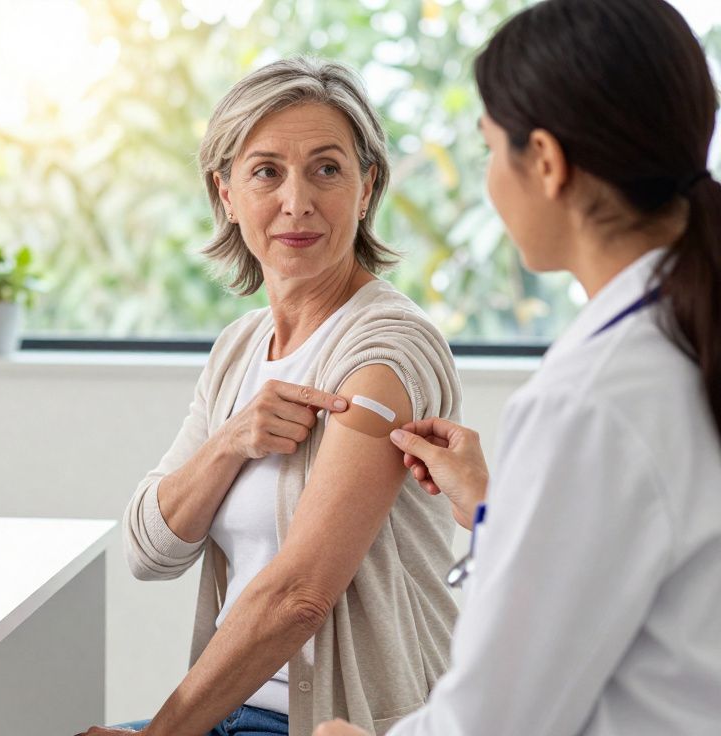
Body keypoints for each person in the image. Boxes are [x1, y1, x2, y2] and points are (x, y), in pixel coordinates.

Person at [317, 0, 721, 734]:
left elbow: (493, 724)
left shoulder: (593, 400)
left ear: (544, 161)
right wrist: (497, 515)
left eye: (488, 151)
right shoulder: (678, 342)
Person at [80, 58, 463, 736]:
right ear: (225, 192)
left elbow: (300, 599)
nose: (297, 201)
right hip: (234, 712)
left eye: (326, 169)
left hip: (343, 721)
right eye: (265, 172)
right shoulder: (240, 349)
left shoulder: (386, 352)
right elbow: (148, 550)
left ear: (368, 186)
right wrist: (232, 438)